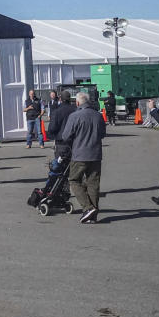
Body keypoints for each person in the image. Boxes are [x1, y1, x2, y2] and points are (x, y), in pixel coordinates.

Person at [58, 92, 106, 223]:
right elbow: (102, 134)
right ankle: (93, 214)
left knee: (74, 180)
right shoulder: (98, 115)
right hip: (95, 154)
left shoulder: (74, 116)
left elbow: (65, 136)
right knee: (93, 183)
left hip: (80, 154)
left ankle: (88, 208)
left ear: (78, 103)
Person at [47, 90, 78, 166]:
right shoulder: (75, 110)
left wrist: (53, 135)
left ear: (60, 99)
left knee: (60, 165)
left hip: (61, 141)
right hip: (74, 141)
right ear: (70, 99)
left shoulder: (57, 112)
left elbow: (52, 128)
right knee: (73, 164)